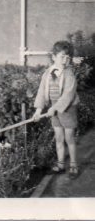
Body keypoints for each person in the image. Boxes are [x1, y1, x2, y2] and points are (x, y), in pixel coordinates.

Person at [33, 40, 80, 179]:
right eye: (62, 57)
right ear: (53, 57)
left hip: (67, 109)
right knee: (59, 137)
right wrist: (38, 110)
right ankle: (60, 165)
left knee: (69, 138)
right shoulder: (47, 73)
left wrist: (55, 108)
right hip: (53, 109)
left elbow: (68, 94)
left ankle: (73, 165)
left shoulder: (69, 74)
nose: (65, 60)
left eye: (68, 58)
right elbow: (42, 91)